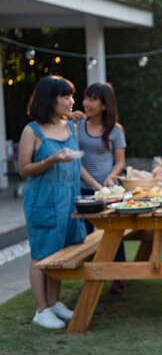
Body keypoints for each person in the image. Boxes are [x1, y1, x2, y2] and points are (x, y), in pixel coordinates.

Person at [18, 75, 87, 329]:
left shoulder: (71, 126)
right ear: (50, 99)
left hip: (69, 198)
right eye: (66, 96)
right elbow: (24, 169)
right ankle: (42, 309)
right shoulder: (31, 130)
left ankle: (55, 302)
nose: (71, 101)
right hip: (43, 199)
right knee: (41, 254)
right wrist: (52, 160)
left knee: (60, 252)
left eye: (71, 95)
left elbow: (77, 165)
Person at [72, 82, 127, 293]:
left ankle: (118, 276)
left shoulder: (115, 129)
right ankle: (89, 279)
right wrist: (93, 185)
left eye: (91, 99)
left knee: (113, 233)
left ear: (105, 105)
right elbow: (76, 161)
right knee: (86, 237)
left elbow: (120, 161)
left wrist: (111, 178)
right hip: (85, 190)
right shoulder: (77, 126)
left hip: (109, 192)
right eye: (85, 98)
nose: (86, 103)